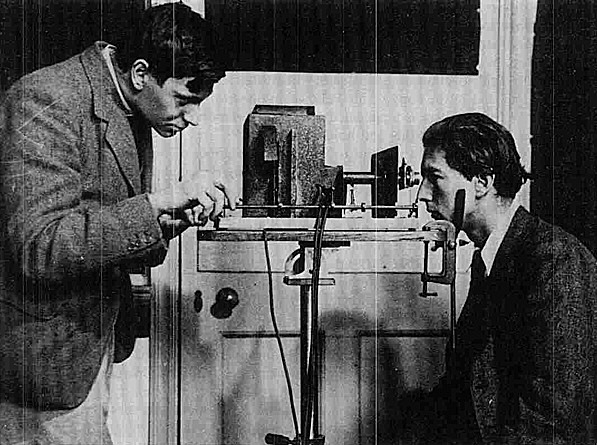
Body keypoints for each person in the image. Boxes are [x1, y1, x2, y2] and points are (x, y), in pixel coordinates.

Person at [0, 3, 236, 444]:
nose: (192, 117)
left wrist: (167, 220)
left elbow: (103, 222)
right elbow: (40, 246)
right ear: (141, 72)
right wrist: (155, 203)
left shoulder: (129, 102)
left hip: (88, 345)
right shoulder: (47, 98)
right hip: (42, 355)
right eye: (184, 99)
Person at [402, 112, 597, 444]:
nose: (422, 194)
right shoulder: (490, 257)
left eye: (435, 178)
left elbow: (552, 421)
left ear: (482, 182)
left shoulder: (555, 260)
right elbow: (466, 386)